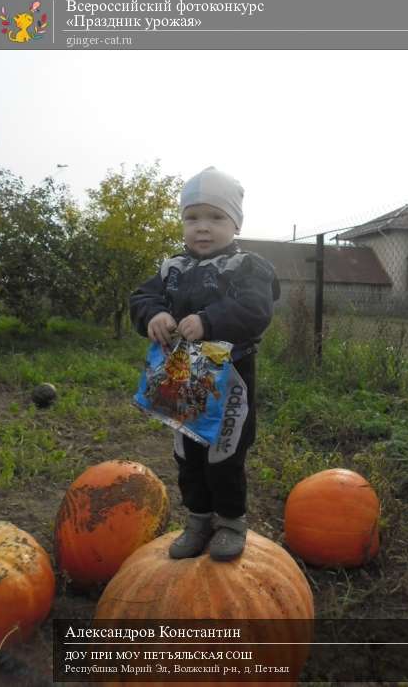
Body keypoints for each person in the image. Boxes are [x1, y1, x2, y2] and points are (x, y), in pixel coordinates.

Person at [130, 166, 280, 561]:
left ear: (235, 223)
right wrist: (154, 316)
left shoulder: (248, 267)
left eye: (216, 217)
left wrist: (210, 321)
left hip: (230, 383)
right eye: (192, 217)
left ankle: (230, 522)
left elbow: (255, 309)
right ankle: (198, 519)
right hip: (181, 379)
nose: (202, 227)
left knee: (224, 454)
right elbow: (141, 300)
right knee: (187, 453)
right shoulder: (171, 269)